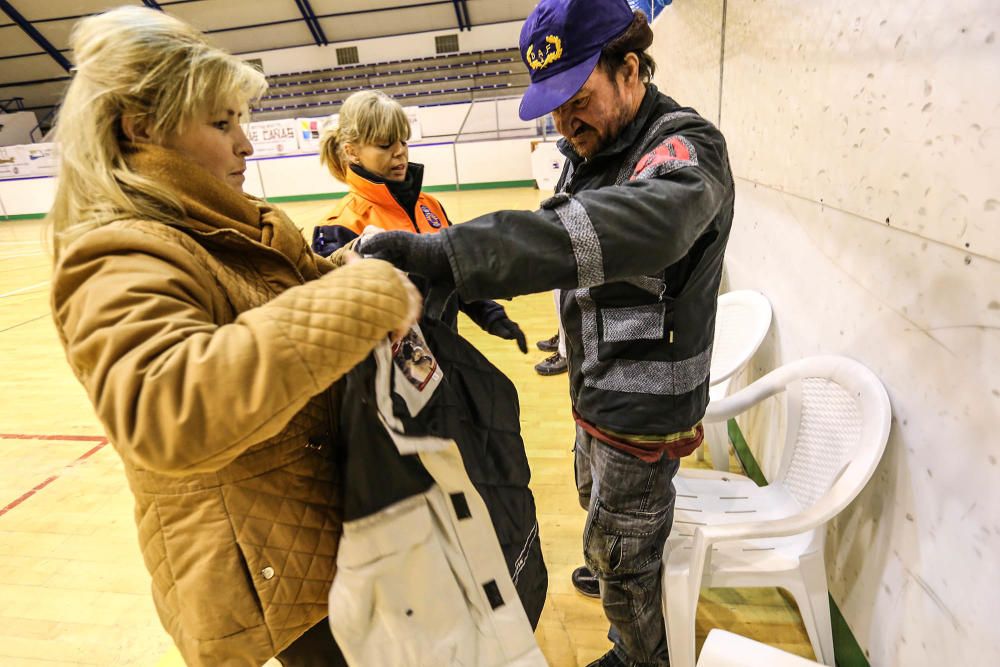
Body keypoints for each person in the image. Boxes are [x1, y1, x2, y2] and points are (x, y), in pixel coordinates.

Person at [361, 0, 736, 665]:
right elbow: (558, 250)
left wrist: (447, 255)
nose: (565, 123)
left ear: (629, 69)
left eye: (578, 99)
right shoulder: (595, 144)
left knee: (627, 554)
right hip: (595, 395)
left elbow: (617, 230)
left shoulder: (684, 150)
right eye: (554, 106)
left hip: (645, 412)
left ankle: (639, 652)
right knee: (601, 509)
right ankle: (614, 556)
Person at [47, 7, 420, 666]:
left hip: (327, 524)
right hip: (273, 574)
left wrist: (347, 270)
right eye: (222, 124)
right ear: (143, 130)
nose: (245, 143)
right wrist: (359, 297)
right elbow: (169, 408)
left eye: (239, 120)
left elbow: (285, 303)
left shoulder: (234, 220)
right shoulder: (114, 254)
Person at [311, 90, 527, 353]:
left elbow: (454, 272)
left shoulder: (430, 206)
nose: (400, 152)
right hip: (391, 379)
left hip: (447, 356)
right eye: (385, 144)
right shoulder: (338, 226)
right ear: (352, 152)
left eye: (403, 141)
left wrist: (490, 314)